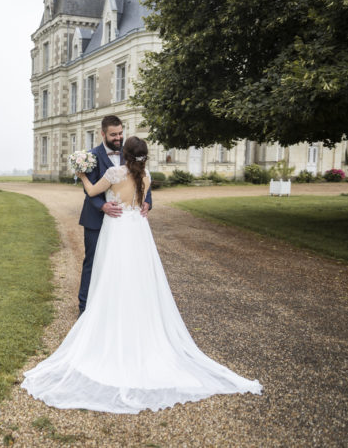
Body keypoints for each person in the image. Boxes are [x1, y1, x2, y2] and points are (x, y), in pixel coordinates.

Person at [21, 136, 262, 413]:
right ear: (144, 156)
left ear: (124, 154)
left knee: (114, 277)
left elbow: (91, 193)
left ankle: (114, 326)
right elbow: (142, 199)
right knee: (140, 279)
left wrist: (81, 175)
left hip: (118, 229)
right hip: (138, 231)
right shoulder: (146, 175)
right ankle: (141, 327)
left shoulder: (114, 173)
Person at [77, 115, 151, 316]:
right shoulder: (90, 156)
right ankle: (85, 308)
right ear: (103, 134)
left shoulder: (130, 151)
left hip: (123, 222)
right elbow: (90, 192)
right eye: (114, 134)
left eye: (120, 133)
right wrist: (103, 206)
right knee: (93, 262)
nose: (118, 138)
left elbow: (141, 181)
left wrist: (146, 202)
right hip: (96, 218)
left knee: (122, 263)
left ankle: (115, 308)